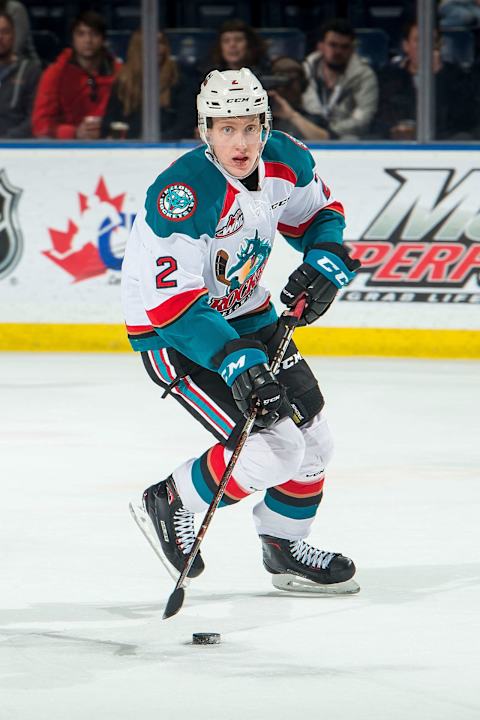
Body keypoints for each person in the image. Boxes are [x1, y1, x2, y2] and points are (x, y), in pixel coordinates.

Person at [122, 68, 361, 594]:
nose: (241, 142)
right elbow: (173, 304)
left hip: (248, 312)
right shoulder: (182, 193)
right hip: (176, 336)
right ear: (204, 129)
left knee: (314, 442)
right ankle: (173, 497)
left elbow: (320, 212)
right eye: (226, 129)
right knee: (274, 449)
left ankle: (282, 544)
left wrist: (325, 258)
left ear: (266, 124)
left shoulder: (286, 158)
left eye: (251, 127)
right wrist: (234, 358)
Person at [373, 21, 475, 140]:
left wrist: (438, 76)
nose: (426, 46)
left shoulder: (456, 76)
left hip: (443, 143)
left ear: (439, 45)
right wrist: (393, 129)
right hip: (399, 145)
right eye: (418, 40)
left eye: (432, 41)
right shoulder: (389, 77)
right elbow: (380, 116)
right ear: (406, 45)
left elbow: (465, 119)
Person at [31, 10, 121, 140]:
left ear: (103, 39)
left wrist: (109, 131)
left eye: (94, 34)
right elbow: (41, 125)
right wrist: (74, 133)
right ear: (72, 39)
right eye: (81, 34)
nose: (88, 40)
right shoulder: (55, 74)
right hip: (66, 149)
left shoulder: (120, 73)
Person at [101, 30, 196, 141]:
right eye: (149, 44)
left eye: (161, 43)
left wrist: (157, 143)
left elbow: (185, 126)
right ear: (137, 49)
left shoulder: (178, 80)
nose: (157, 48)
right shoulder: (123, 82)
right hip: (128, 149)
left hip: (169, 149)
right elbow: (109, 124)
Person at [302, 18, 378, 140]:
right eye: (333, 45)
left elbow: (363, 119)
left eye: (344, 47)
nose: (338, 51)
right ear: (320, 46)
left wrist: (330, 131)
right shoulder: (306, 69)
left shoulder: (364, 75)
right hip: (308, 131)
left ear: (352, 49)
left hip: (344, 138)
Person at [267, 56, 331, 141]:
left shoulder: (314, 119)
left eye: (292, 80)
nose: (286, 87)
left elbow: (326, 142)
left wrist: (292, 115)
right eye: (279, 79)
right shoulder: (259, 119)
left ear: (303, 85)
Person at [0, 11, 40, 138]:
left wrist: (7, 141)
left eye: (5, 32)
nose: (0, 37)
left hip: (17, 149)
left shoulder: (31, 71)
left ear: (14, 35)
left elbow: (34, 118)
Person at [203, 19, 271, 76]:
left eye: (238, 40)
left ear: (250, 44)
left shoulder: (266, 72)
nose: (232, 45)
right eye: (226, 41)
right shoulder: (208, 75)